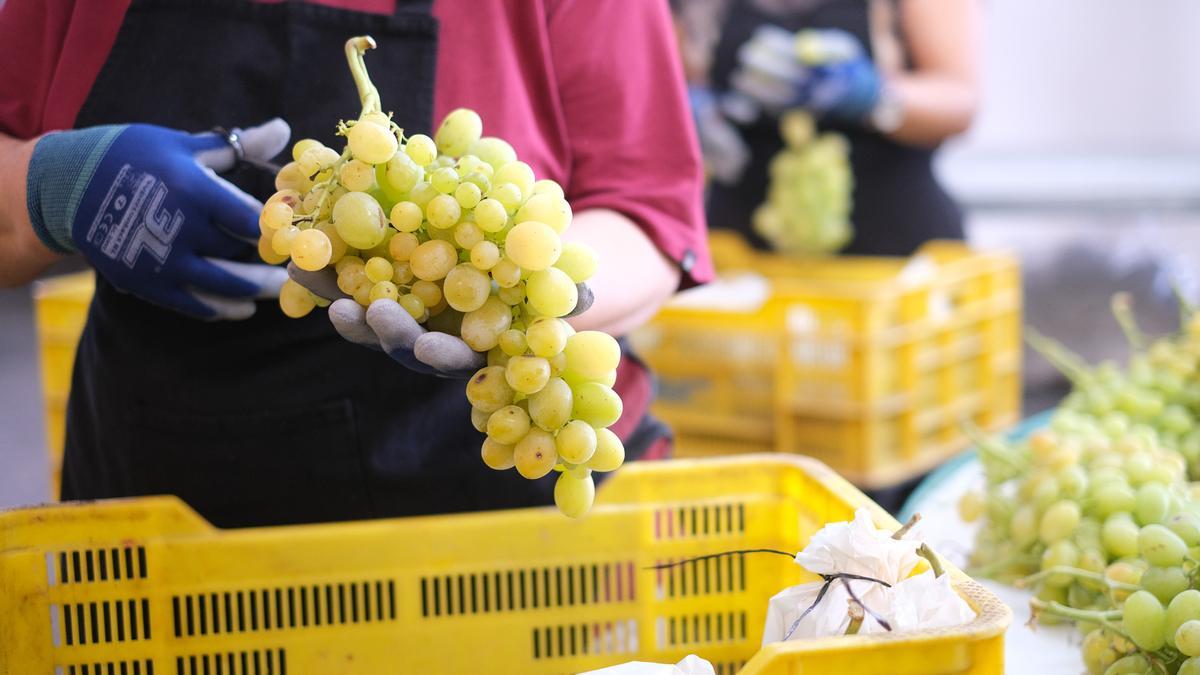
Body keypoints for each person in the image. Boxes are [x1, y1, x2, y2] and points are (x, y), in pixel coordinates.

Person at [0, 0, 711, 528]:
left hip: (488, 533)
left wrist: (514, 304)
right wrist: (52, 184)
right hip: (162, 529)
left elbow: (647, 214)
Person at [676, 0, 980, 256]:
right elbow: (669, 73)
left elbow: (960, 101)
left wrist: (870, 95)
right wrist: (690, 113)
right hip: (741, 249)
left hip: (894, 250)